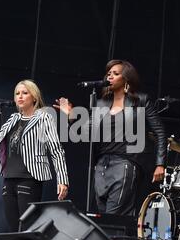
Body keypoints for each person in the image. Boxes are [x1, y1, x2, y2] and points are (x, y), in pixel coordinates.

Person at [54, 59, 167, 216]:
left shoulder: (140, 101)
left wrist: (160, 164)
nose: (110, 77)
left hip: (126, 163)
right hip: (102, 165)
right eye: (108, 74)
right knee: (103, 216)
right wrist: (71, 118)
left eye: (115, 74)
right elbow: (86, 135)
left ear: (126, 78)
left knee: (113, 215)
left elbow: (160, 132)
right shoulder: (101, 104)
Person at [0, 79, 69, 231]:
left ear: (34, 97)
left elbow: (56, 150)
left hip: (29, 178)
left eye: (25, 93)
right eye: (17, 93)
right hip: (9, 179)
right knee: (14, 228)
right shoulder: (13, 119)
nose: (20, 96)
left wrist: (62, 179)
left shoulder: (44, 118)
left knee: (27, 227)